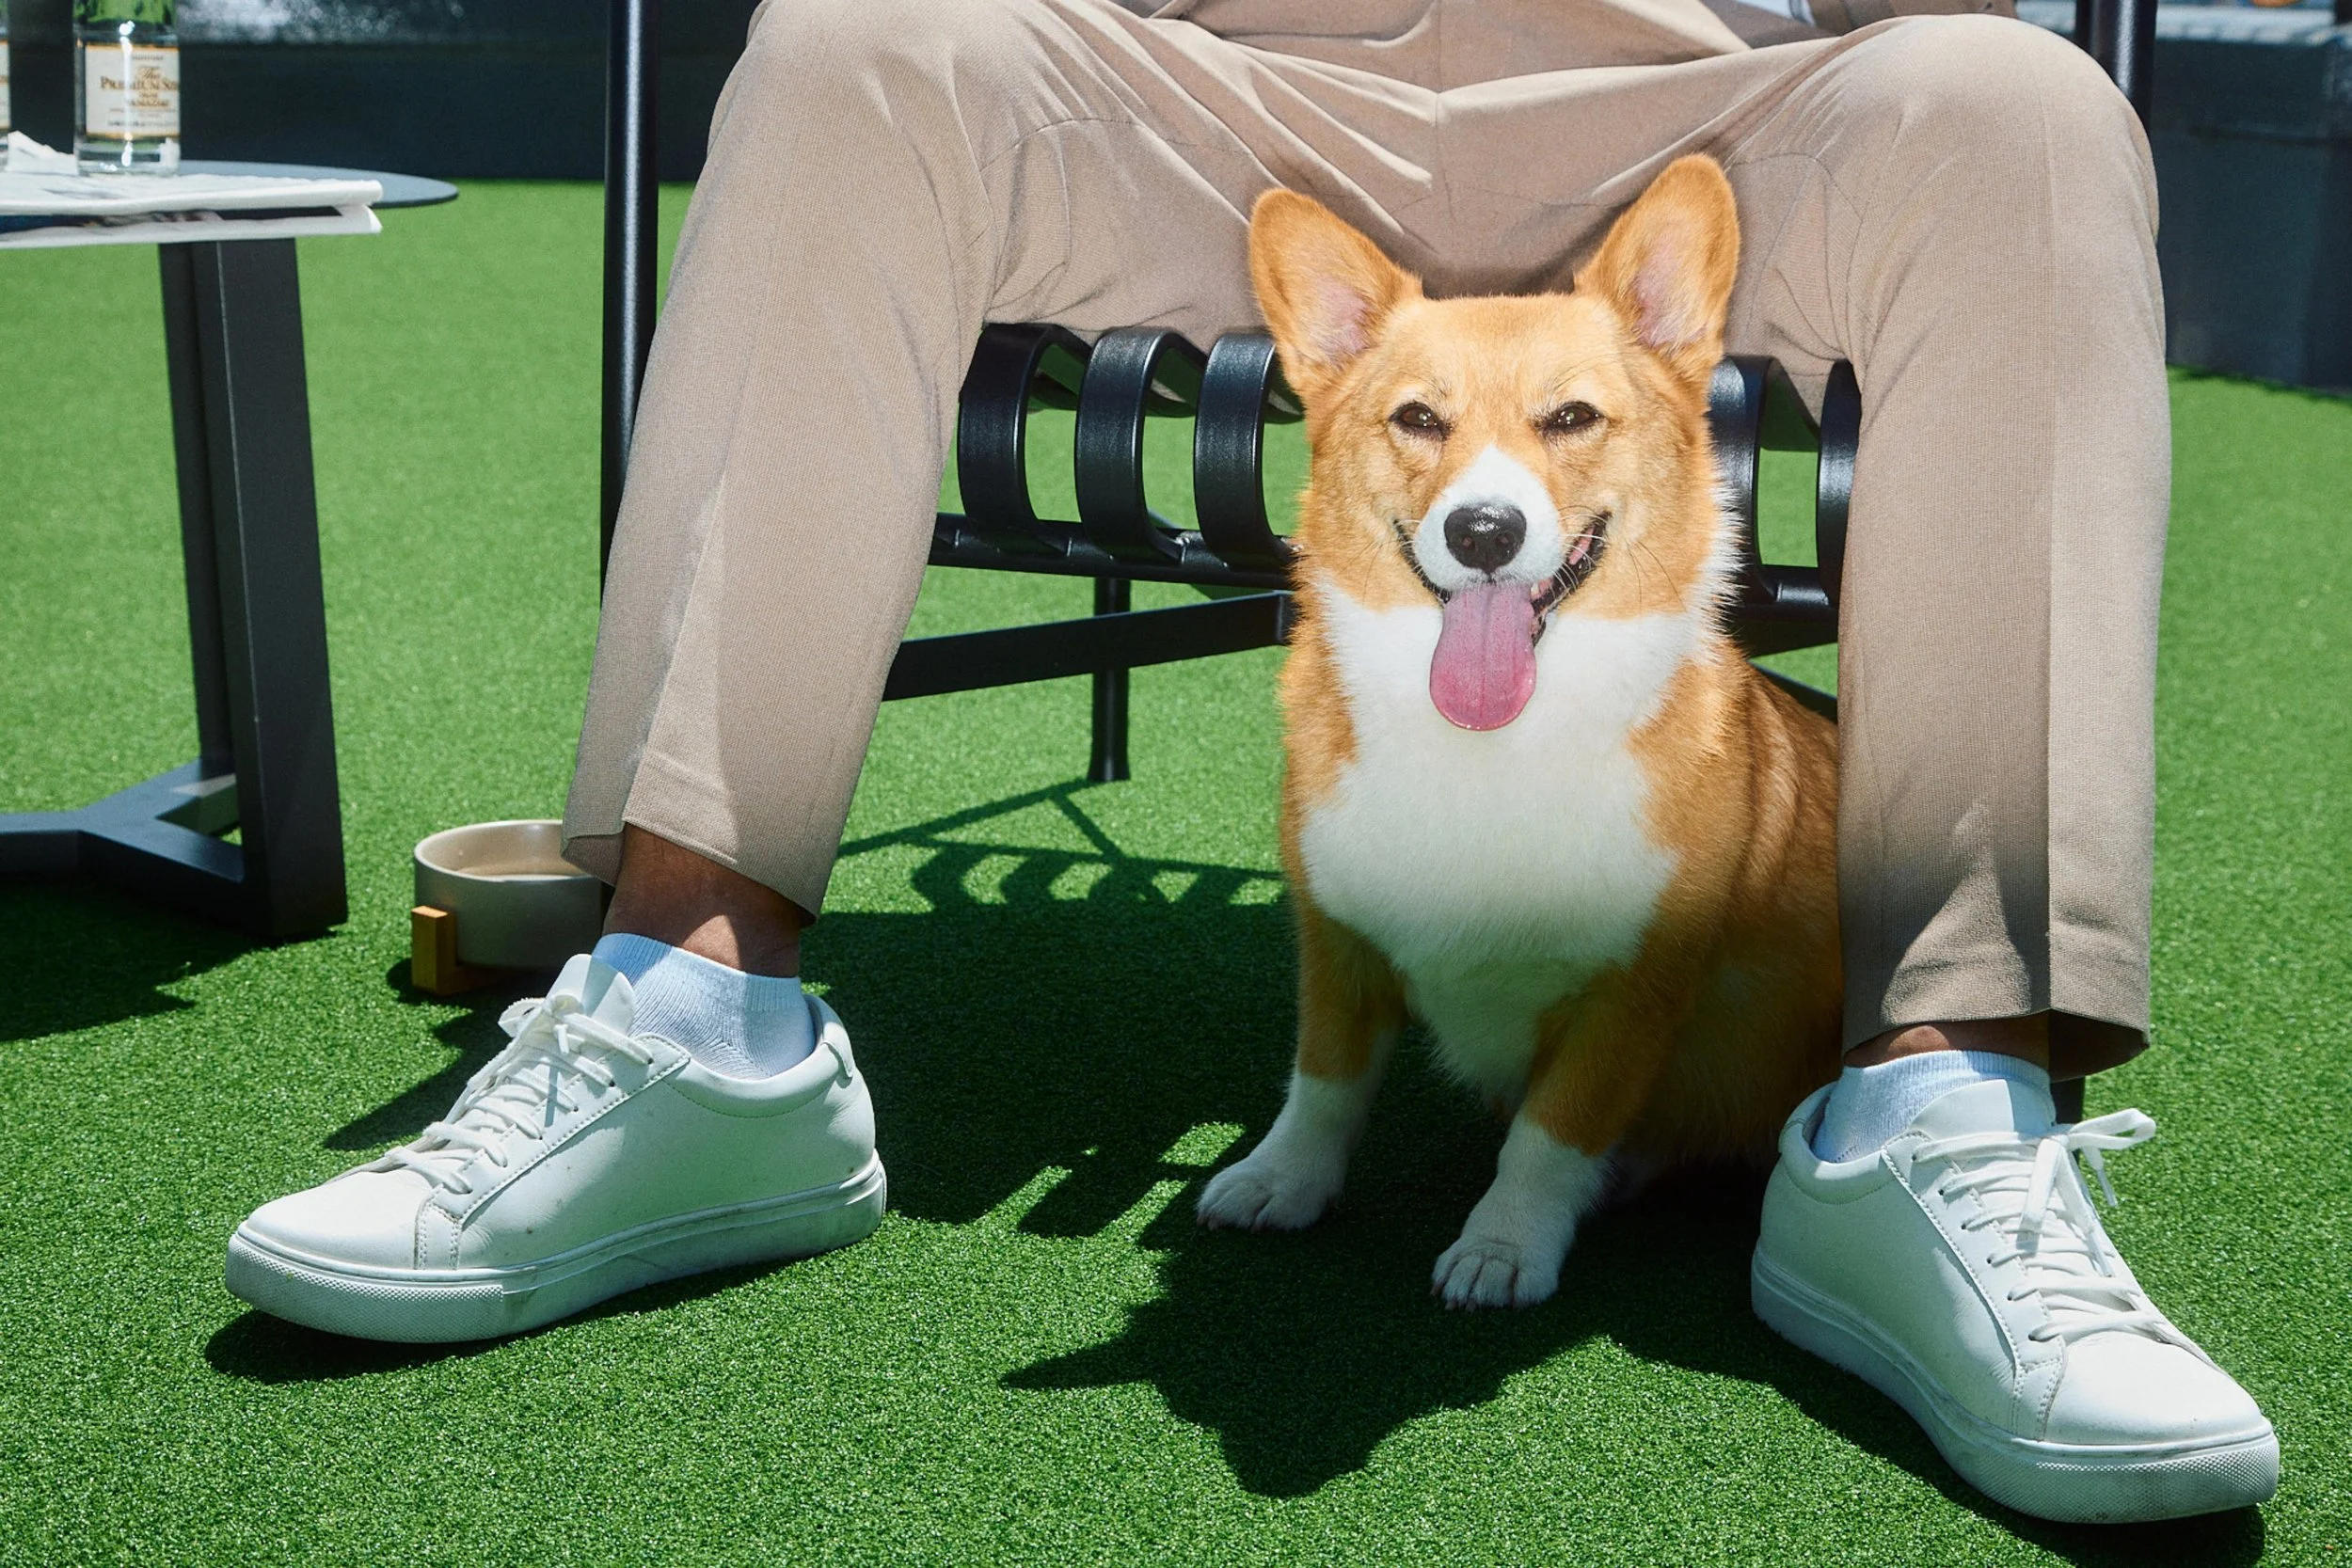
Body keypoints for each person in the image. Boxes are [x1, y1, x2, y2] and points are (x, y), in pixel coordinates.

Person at [224, 0, 2279, 1523]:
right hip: (1226, 75)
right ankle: (694, 1015)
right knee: (849, 56)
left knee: (2022, 112)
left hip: (1703, 71)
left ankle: (1934, 1114)